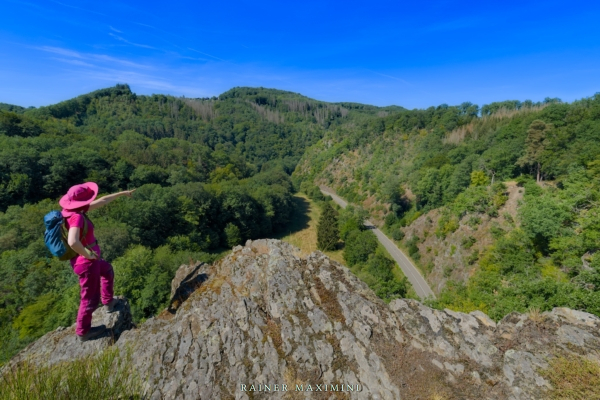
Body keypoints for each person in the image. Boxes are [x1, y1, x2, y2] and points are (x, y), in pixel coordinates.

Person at [59, 182, 135, 342]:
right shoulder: (77, 217)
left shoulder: (69, 211)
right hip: (86, 263)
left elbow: (103, 201)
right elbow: (73, 241)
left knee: (107, 270)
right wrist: (88, 254)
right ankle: (83, 332)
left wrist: (122, 193)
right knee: (89, 298)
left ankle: (108, 302)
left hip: (87, 260)